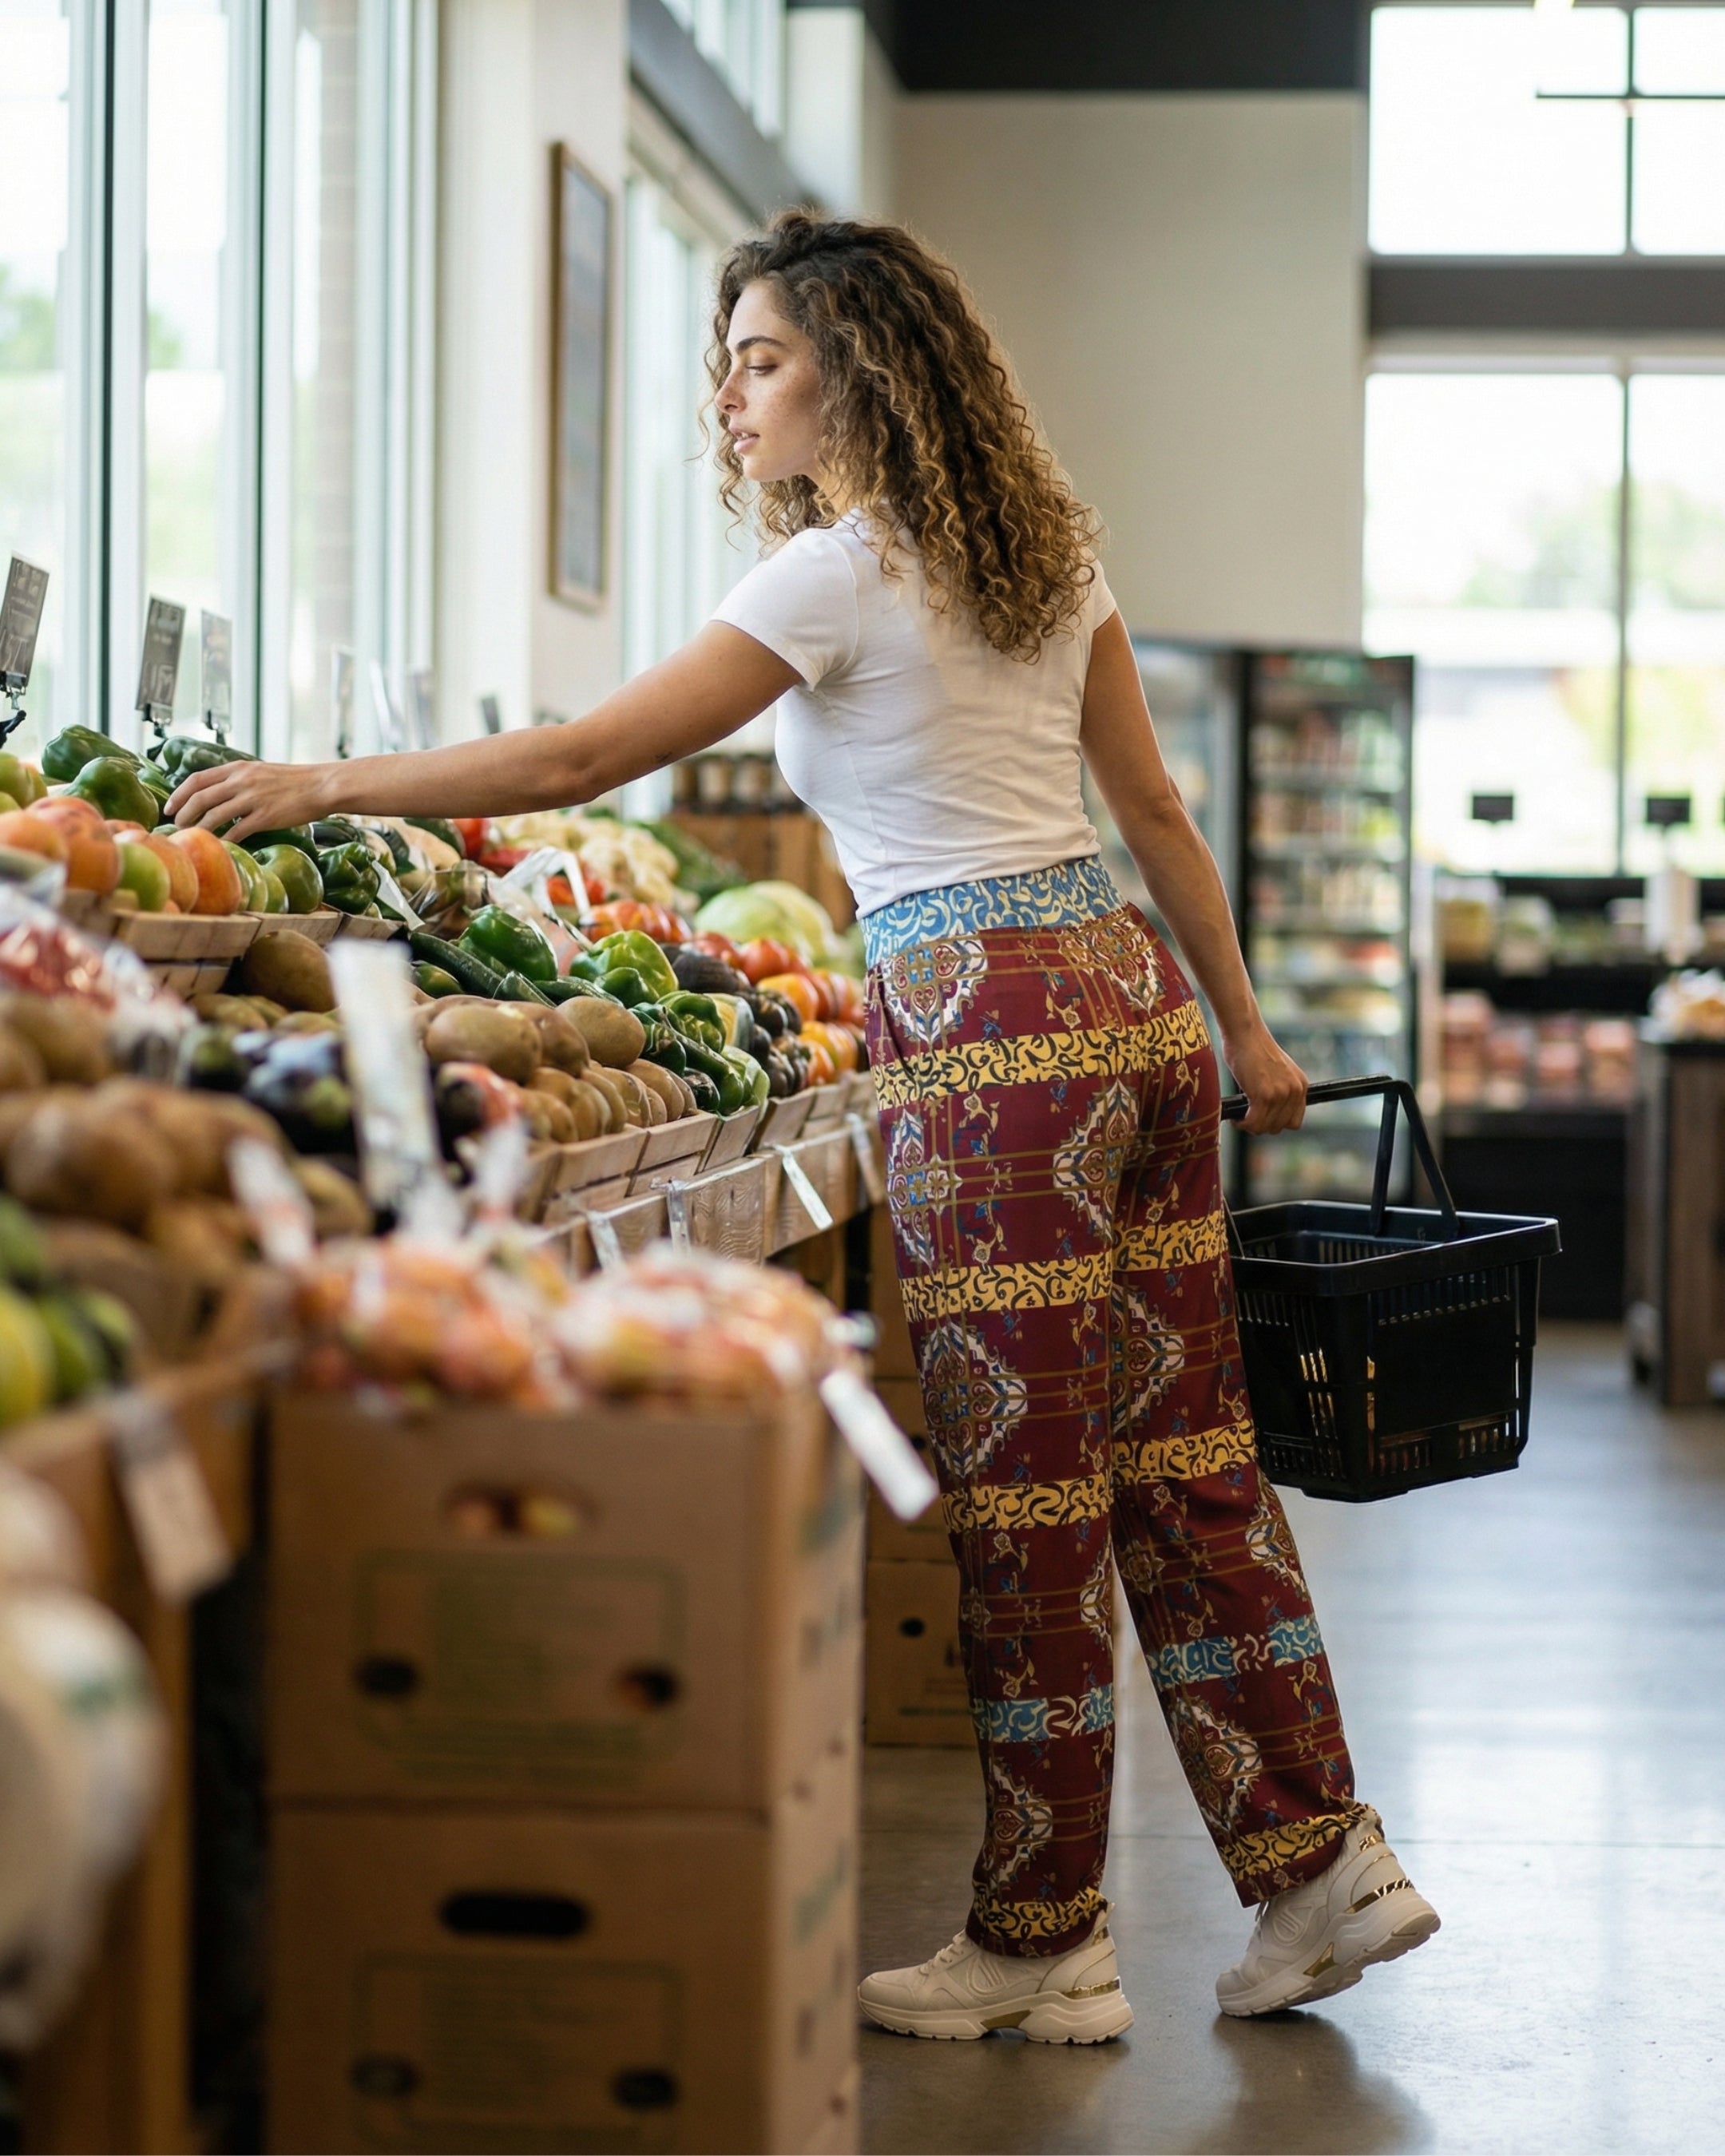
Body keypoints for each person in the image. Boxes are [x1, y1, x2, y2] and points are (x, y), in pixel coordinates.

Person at [172, 211, 1440, 2040]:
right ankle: (1323, 1868)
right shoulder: (1042, 557)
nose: (731, 396)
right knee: (1188, 1458)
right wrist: (1240, 1027)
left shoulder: (837, 574)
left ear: (860, 370)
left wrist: (326, 782)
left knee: (1024, 1491)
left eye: (760, 359)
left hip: (991, 1042)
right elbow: (1154, 811)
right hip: (1129, 1004)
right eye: (728, 364)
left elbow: (577, 761)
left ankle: (1042, 1940)